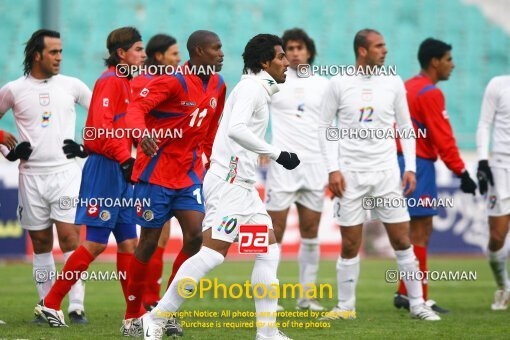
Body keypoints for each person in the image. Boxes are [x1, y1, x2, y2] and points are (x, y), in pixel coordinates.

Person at [141, 33, 297, 340]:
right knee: (212, 255)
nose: (286, 63)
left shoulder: (256, 89)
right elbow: (237, 129)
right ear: (265, 62)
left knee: (267, 250)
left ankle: (267, 333)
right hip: (229, 183)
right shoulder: (251, 89)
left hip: (243, 187)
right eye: (280, 57)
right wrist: (277, 154)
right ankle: (156, 317)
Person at [318, 28, 440, 321]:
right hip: (350, 175)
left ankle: (418, 305)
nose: (385, 51)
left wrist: (409, 167)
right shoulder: (339, 82)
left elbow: (406, 127)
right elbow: (324, 127)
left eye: (384, 45)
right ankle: (345, 307)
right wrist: (332, 170)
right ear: (362, 50)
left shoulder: (393, 82)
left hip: (387, 173)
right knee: (349, 244)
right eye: (378, 46)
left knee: (402, 240)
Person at [34, 27, 146, 331]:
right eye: (138, 48)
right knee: (95, 244)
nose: (143, 54)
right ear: (121, 54)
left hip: (122, 171)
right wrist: (124, 158)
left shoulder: (128, 83)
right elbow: (99, 129)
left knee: (129, 244)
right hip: (106, 170)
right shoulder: (110, 82)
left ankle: (133, 317)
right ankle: (51, 303)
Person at [122, 30, 226, 336]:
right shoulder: (172, 81)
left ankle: (165, 310)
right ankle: (131, 316)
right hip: (156, 173)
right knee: (149, 242)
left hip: (190, 173)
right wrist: (142, 134)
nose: (221, 54)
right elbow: (135, 110)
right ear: (198, 51)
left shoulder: (219, 84)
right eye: (216, 48)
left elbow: (210, 127)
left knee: (196, 237)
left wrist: (212, 161)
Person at [0, 29, 91, 324]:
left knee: (69, 239)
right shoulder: (13, 90)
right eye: (53, 52)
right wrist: (8, 151)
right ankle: (46, 304)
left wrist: (85, 146)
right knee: (40, 244)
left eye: (61, 52)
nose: (59, 57)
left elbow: (107, 115)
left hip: (65, 173)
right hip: (31, 176)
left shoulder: (72, 85)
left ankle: (76, 306)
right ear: (37, 55)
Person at [393, 38, 477, 313]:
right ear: (435, 62)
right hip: (419, 164)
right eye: (449, 59)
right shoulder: (430, 92)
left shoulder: (408, 86)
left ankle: (406, 292)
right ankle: (419, 297)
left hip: (400, 160)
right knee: (420, 231)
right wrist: (461, 172)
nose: (452, 65)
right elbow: (443, 138)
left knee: (412, 230)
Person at [264, 28, 328, 311]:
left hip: (315, 164)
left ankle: (306, 297)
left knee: (311, 231)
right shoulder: (273, 82)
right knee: (273, 229)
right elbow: (253, 114)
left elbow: (331, 127)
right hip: (283, 164)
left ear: (309, 51)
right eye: (289, 48)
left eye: (299, 47)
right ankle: (268, 295)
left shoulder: (324, 85)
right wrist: (263, 148)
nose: (294, 52)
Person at [130, 33, 184, 314]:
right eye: (174, 54)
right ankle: (144, 301)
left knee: (159, 238)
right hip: (148, 170)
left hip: (174, 169)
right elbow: (131, 116)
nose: (179, 59)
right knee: (147, 239)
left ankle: (151, 299)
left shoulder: (176, 82)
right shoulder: (142, 83)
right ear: (160, 56)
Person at [476, 74, 510, 310]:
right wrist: (482, 161)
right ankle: (503, 287)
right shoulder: (498, 84)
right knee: (497, 235)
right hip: (501, 166)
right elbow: (484, 124)